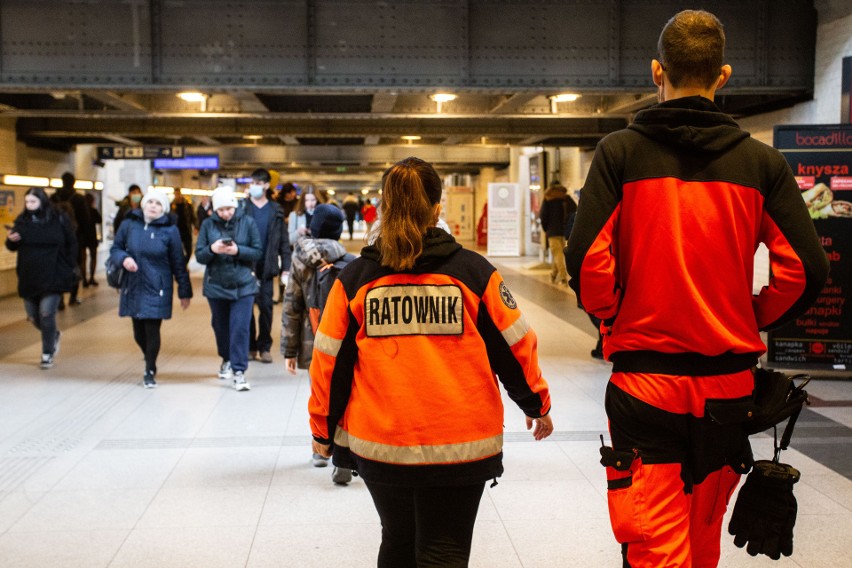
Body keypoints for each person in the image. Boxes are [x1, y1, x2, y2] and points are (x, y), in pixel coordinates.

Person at [564, 10, 829, 568]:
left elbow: (587, 258)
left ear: (657, 72)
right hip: (727, 389)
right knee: (701, 539)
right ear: (723, 76)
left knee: (656, 546)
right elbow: (806, 270)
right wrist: (749, 315)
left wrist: (614, 315)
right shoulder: (762, 163)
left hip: (646, 383)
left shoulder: (621, 154)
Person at [308, 157, 553, 567]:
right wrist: (536, 405)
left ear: (383, 207)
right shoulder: (474, 273)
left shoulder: (355, 281)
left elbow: (329, 362)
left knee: (398, 540)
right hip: (462, 445)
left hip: (383, 443)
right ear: (437, 209)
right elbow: (515, 345)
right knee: (446, 548)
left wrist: (322, 430)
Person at [281, 203, 353, 480]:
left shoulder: (300, 258)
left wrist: (289, 349)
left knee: (320, 394)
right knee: (345, 392)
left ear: (313, 227)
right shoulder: (349, 259)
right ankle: (344, 459)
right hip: (343, 339)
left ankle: (319, 449)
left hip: (314, 340)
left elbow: (292, 305)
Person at [109, 188, 193, 388]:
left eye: (158, 204)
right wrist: (124, 259)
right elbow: (116, 249)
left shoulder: (170, 231)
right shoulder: (129, 225)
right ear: (143, 205)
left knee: (152, 330)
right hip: (133, 285)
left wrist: (184, 290)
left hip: (158, 287)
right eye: (150, 203)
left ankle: (149, 369)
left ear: (163, 209)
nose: (153, 207)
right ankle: (149, 358)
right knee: (138, 333)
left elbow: (178, 262)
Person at [196, 187, 263, 392]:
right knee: (221, 326)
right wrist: (212, 249)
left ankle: (239, 371)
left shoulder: (247, 222)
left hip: (243, 285)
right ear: (216, 209)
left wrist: (238, 250)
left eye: (229, 208)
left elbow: (257, 251)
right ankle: (226, 358)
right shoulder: (208, 225)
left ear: (234, 206)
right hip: (216, 285)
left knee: (240, 328)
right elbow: (199, 255)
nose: (226, 213)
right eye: (222, 209)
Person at [5, 187, 77, 369]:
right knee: (32, 316)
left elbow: (71, 242)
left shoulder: (58, 218)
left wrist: (69, 265)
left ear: (42, 201)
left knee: (46, 314)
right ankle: (54, 335)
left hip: (53, 274)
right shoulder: (22, 221)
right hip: (29, 275)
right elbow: (12, 246)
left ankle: (47, 353)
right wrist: (11, 240)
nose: (29, 206)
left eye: (33, 202)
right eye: (27, 202)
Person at [244, 168, 291, 363]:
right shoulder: (242, 208)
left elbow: (283, 242)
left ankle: (264, 346)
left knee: (266, 309)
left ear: (265, 185)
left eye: (256, 183)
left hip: (267, 266)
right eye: (251, 182)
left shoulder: (275, 211)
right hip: (246, 266)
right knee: (246, 309)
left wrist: (286, 267)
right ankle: (250, 347)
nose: (253, 186)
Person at [50, 171, 90, 306]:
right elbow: (86, 220)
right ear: (74, 183)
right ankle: (73, 297)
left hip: (56, 239)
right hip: (74, 239)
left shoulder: (54, 197)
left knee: (57, 267)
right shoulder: (78, 198)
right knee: (74, 266)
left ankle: (60, 298)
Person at [538, 182, 575, 286]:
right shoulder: (566, 198)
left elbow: (543, 216)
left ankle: (563, 278)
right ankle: (554, 275)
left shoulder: (548, 198)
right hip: (565, 231)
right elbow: (575, 210)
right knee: (558, 254)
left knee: (557, 254)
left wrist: (546, 229)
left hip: (552, 231)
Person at [170, 186, 196, 264]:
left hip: (187, 231)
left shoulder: (187, 205)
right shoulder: (171, 206)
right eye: (176, 194)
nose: (177, 195)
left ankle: (184, 263)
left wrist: (196, 227)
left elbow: (193, 216)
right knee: (177, 250)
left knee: (189, 250)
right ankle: (181, 266)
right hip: (176, 232)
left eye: (178, 193)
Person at [82, 193, 102, 286]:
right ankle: (91, 277)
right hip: (91, 237)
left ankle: (84, 280)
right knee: (93, 257)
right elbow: (99, 220)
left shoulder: (81, 211)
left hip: (82, 237)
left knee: (83, 259)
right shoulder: (92, 210)